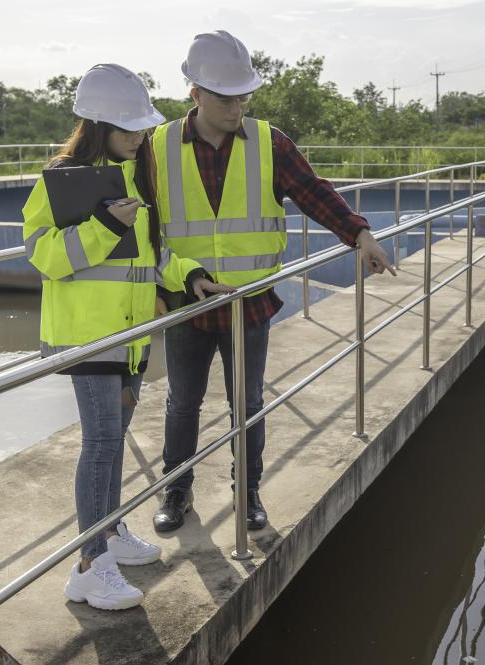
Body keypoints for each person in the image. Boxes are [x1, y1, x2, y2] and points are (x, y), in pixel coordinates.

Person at [149, 30, 395, 534]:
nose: (238, 105)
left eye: (244, 95)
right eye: (226, 96)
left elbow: (312, 192)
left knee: (249, 403)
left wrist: (360, 234)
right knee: (182, 403)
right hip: (188, 301)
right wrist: (167, 281)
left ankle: (249, 492)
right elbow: (146, 230)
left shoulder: (269, 142)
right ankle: (176, 492)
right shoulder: (157, 146)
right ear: (194, 92)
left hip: (248, 301)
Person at [22, 63, 232, 610]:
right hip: (89, 338)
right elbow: (45, 256)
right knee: (99, 447)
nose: (140, 139)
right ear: (96, 125)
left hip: (131, 337)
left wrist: (187, 275)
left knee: (112, 447)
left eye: (142, 130)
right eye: (129, 130)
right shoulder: (62, 178)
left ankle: (110, 533)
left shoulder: (132, 177)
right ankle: (90, 565)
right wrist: (105, 226)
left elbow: (150, 257)